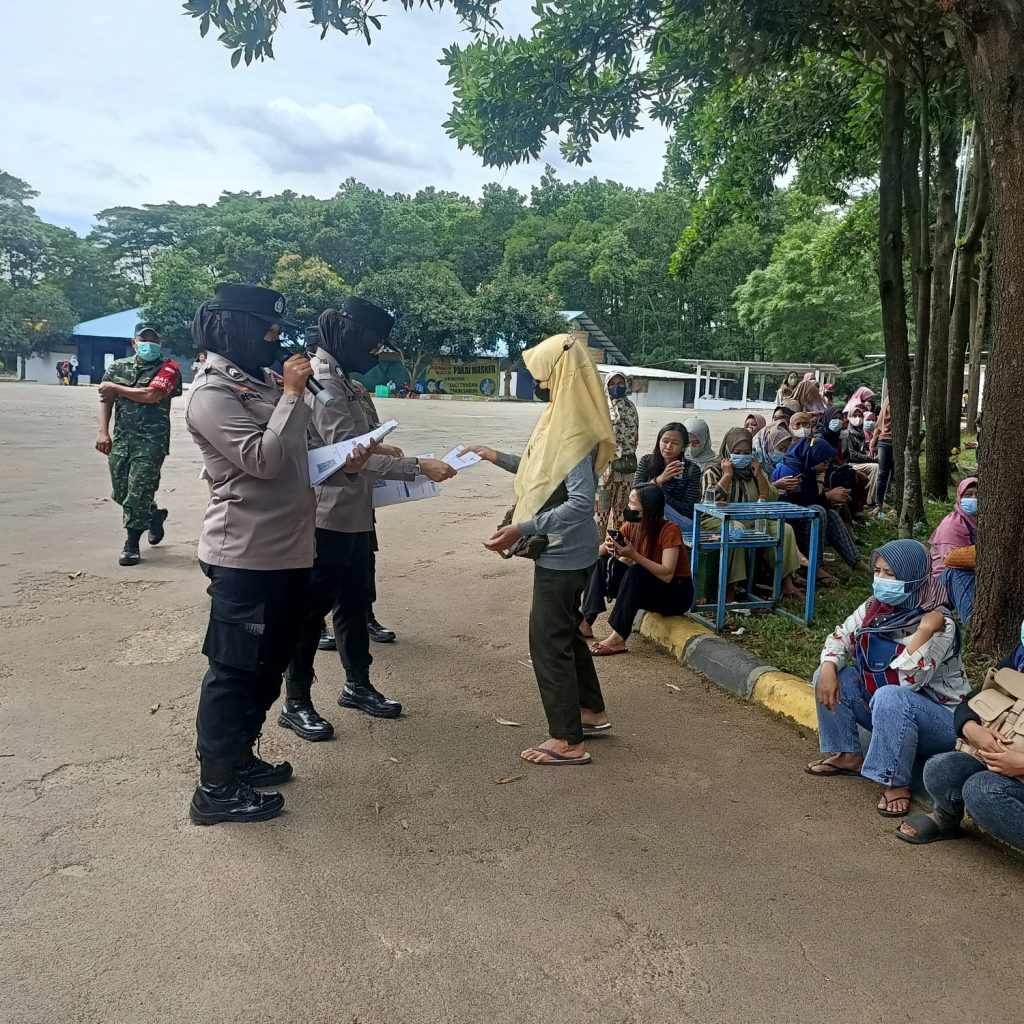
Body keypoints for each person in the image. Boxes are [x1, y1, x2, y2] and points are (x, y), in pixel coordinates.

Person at [281, 301, 456, 739]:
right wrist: (418, 467)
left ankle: (357, 686)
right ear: (351, 336)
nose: (377, 352)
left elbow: (359, 445)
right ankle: (296, 702)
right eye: (373, 343)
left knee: (355, 605)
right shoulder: (323, 380)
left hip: (356, 513)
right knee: (310, 613)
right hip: (327, 515)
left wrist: (381, 450)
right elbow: (345, 452)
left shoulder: (343, 379)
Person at [184, 284, 314, 825]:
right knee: (233, 670)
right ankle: (214, 789)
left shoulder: (255, 382)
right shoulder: (213, 393)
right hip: (244, 553)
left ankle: (241, 754)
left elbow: (294, 452)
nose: (274, 335)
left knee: (270, 662)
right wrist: (289, 394)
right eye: (264, 325)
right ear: (232, 326)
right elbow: (262, 459)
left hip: (287, 548)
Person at [464, 333, 615, 767]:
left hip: (564, 556)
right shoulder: (560, 421)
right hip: (570, 553)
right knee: (565, 632)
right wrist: (494, 455)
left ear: (559, 376)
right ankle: (591, 713)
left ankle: (568, 740)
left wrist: (520, 529)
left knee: (547, 641)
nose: (538, 384)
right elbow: (543, 472)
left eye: (542, 376)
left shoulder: (575, 432)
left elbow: (580, 503)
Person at [805, 539, 970, 818]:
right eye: (877, 571)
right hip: (889, 706)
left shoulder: (941, 624)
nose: (880, 580)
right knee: (827, 673)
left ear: (914, 576)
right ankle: (848, 755)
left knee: (890, 696)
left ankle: (896, 781)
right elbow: (840, 636)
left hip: (941, 722)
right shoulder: (875, 606)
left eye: (890, 574)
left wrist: (923, 633)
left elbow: (909, 681)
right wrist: (830, 666)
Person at [897, 623, 1024, 849]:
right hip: (1002, 759)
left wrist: (1021, 764)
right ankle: (945, 819)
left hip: (1016, 765)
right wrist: (972, 729)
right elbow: (974, 700)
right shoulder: (1020, 656)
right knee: (940, 769)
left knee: (981, 791)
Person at [95, 324, 182, 566]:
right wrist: (103, 432)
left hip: (152, 441)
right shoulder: (117, 367)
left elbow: (151, 395)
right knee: (121, 491)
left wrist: (115, 387)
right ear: (135, 342)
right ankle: (153, 515)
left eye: (154, 339)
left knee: (139, 491)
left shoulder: (169, 368)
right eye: (144, 339)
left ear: (160, 343)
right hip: (122, 438)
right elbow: (106, 400)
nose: (149, 343)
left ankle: (131, 544)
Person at [582, 485, 694, 654]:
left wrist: (633, 555)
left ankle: (617, 639)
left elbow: (667, 574)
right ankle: (586, 622)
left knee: (636, 572)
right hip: (649, 586)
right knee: (601, 563)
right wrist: (608, 544)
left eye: (633, 504)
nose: (628, 507)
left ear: (647, 509)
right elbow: (599, 554)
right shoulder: (632, 526)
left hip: (676, 594)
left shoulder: (670, 530)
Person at [700, 427, 803, 600]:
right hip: (716, 520)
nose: (742, 456)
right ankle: (729, 591)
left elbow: (770, 497)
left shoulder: (754, 468)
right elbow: (708, 502)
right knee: (737, 531)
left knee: (784, 530)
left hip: (751, 519)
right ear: (727, 450)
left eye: (746, 452)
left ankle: (787, 585)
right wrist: (727, 476)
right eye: (737, 452)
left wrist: (759, 477)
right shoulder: (714, 470)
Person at [772, 429, 869, 574]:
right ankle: (814, 566)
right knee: (819, 511)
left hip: (801, 516)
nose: (826, 466)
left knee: (831, 513)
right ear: (813, 457)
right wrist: (827, 497)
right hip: (788, 520)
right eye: (824, 462)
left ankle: (855, 561)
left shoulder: (807, 469)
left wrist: (832, 498)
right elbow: (794, 502)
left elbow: (811, 496)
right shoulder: (789, 470)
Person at [632, 422, 702, 537]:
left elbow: (687, 509)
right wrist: (659, 480)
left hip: (682, 521)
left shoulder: (692, 470)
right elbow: (635, 494)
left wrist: (659, 494)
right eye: (665, 441)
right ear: (659, 441)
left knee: (652, 505)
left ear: (684, 446)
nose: (668, 447)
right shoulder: (646, 461)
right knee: (637, 505)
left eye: (675, 443)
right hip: (648, 517)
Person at [926, 477, 978, 623]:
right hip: (941, 584)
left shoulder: (982, 520)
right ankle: (972, 624)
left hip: (972, 575)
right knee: (957, 571)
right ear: (959, 497)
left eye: (977, 494)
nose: (974, 498)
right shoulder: (952, 525)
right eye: (968, 495)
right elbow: (950, 560)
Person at [596, 372, 639, 532]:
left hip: (627, 466)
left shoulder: (631, 407)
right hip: (605, 466)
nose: (617, 386)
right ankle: (598, 550)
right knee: (601, 511)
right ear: (607, 386)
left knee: (622, 512)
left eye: (620, 383)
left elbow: (635, 435)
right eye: (612, 383)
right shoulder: (600, 406)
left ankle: (618, 550)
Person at [869, 395, 893, 508]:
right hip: (884, 440)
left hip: (898, 440)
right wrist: (873, 443)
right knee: (882, 473)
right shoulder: (887, 399)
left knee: (898, 473)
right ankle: (879, 504)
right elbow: (879, 423)